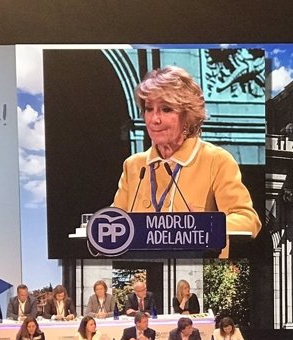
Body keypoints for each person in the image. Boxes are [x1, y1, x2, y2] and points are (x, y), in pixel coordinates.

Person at [111, 65, 261, 258]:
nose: (154, 119)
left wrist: (204, 225)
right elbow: (115, 222)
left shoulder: (216, 160)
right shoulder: (133, 165)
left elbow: (249, 220)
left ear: (187, 116)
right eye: (149, 109)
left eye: (166, 109)